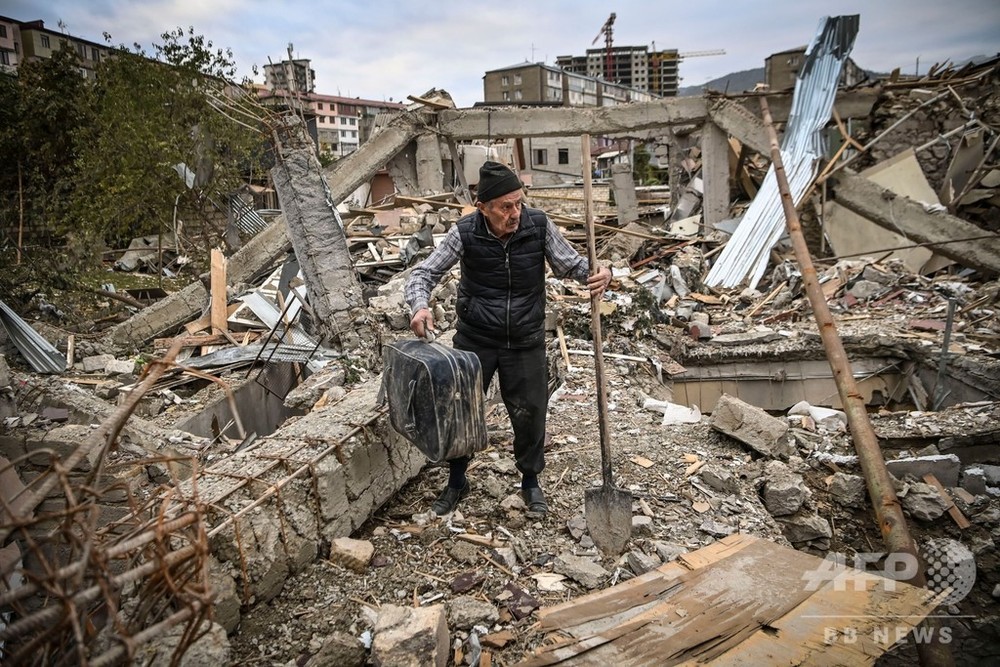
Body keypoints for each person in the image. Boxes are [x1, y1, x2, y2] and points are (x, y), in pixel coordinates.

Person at [403, 160, 612, 517]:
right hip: (476, 339)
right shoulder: (465, 232)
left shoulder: (538, 225)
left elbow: (573, 266)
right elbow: (424, 272)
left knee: (531, 412)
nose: (515, 213)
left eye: (518, 203)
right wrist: (419, 306)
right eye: (505, 206)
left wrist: (599, 273)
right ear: (482, 207)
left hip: (525, 337)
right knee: (460, 410)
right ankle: (456, 480)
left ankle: (530, 482)